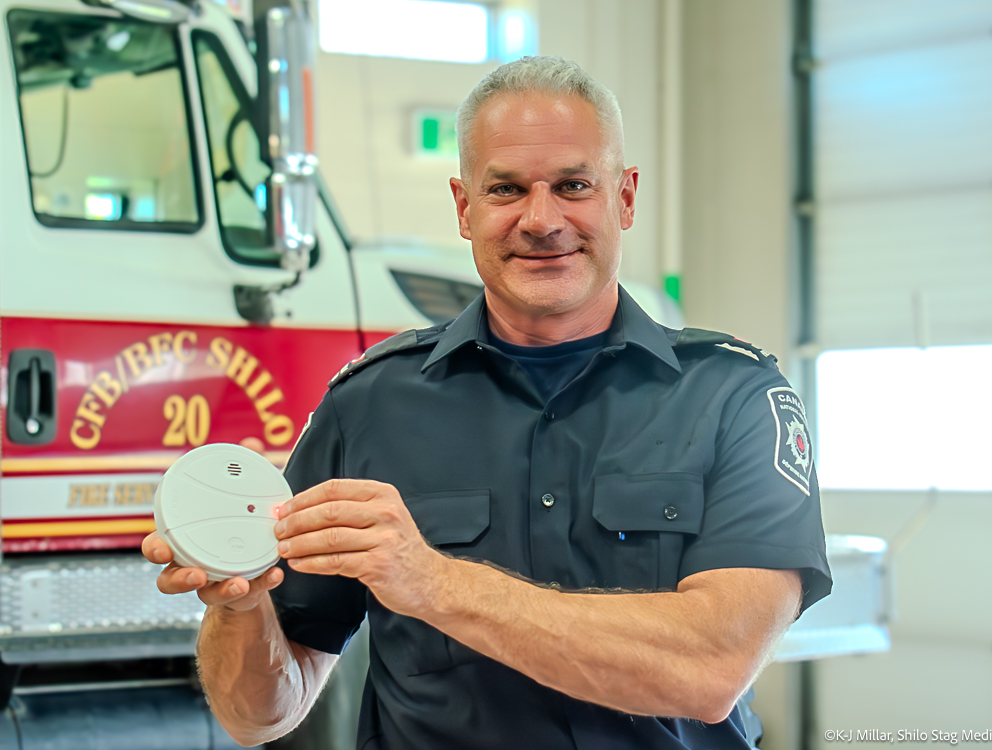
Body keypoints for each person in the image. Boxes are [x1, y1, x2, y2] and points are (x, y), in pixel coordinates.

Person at [144, 56, 831, 749]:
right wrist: (241, 603)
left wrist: (432, 582)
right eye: (505, 189)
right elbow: (258, 715)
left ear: (624, 198)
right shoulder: (369, 403)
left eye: (573, 185)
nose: (541, 220)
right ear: (465, 208)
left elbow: (710, 669)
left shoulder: (736, 396)